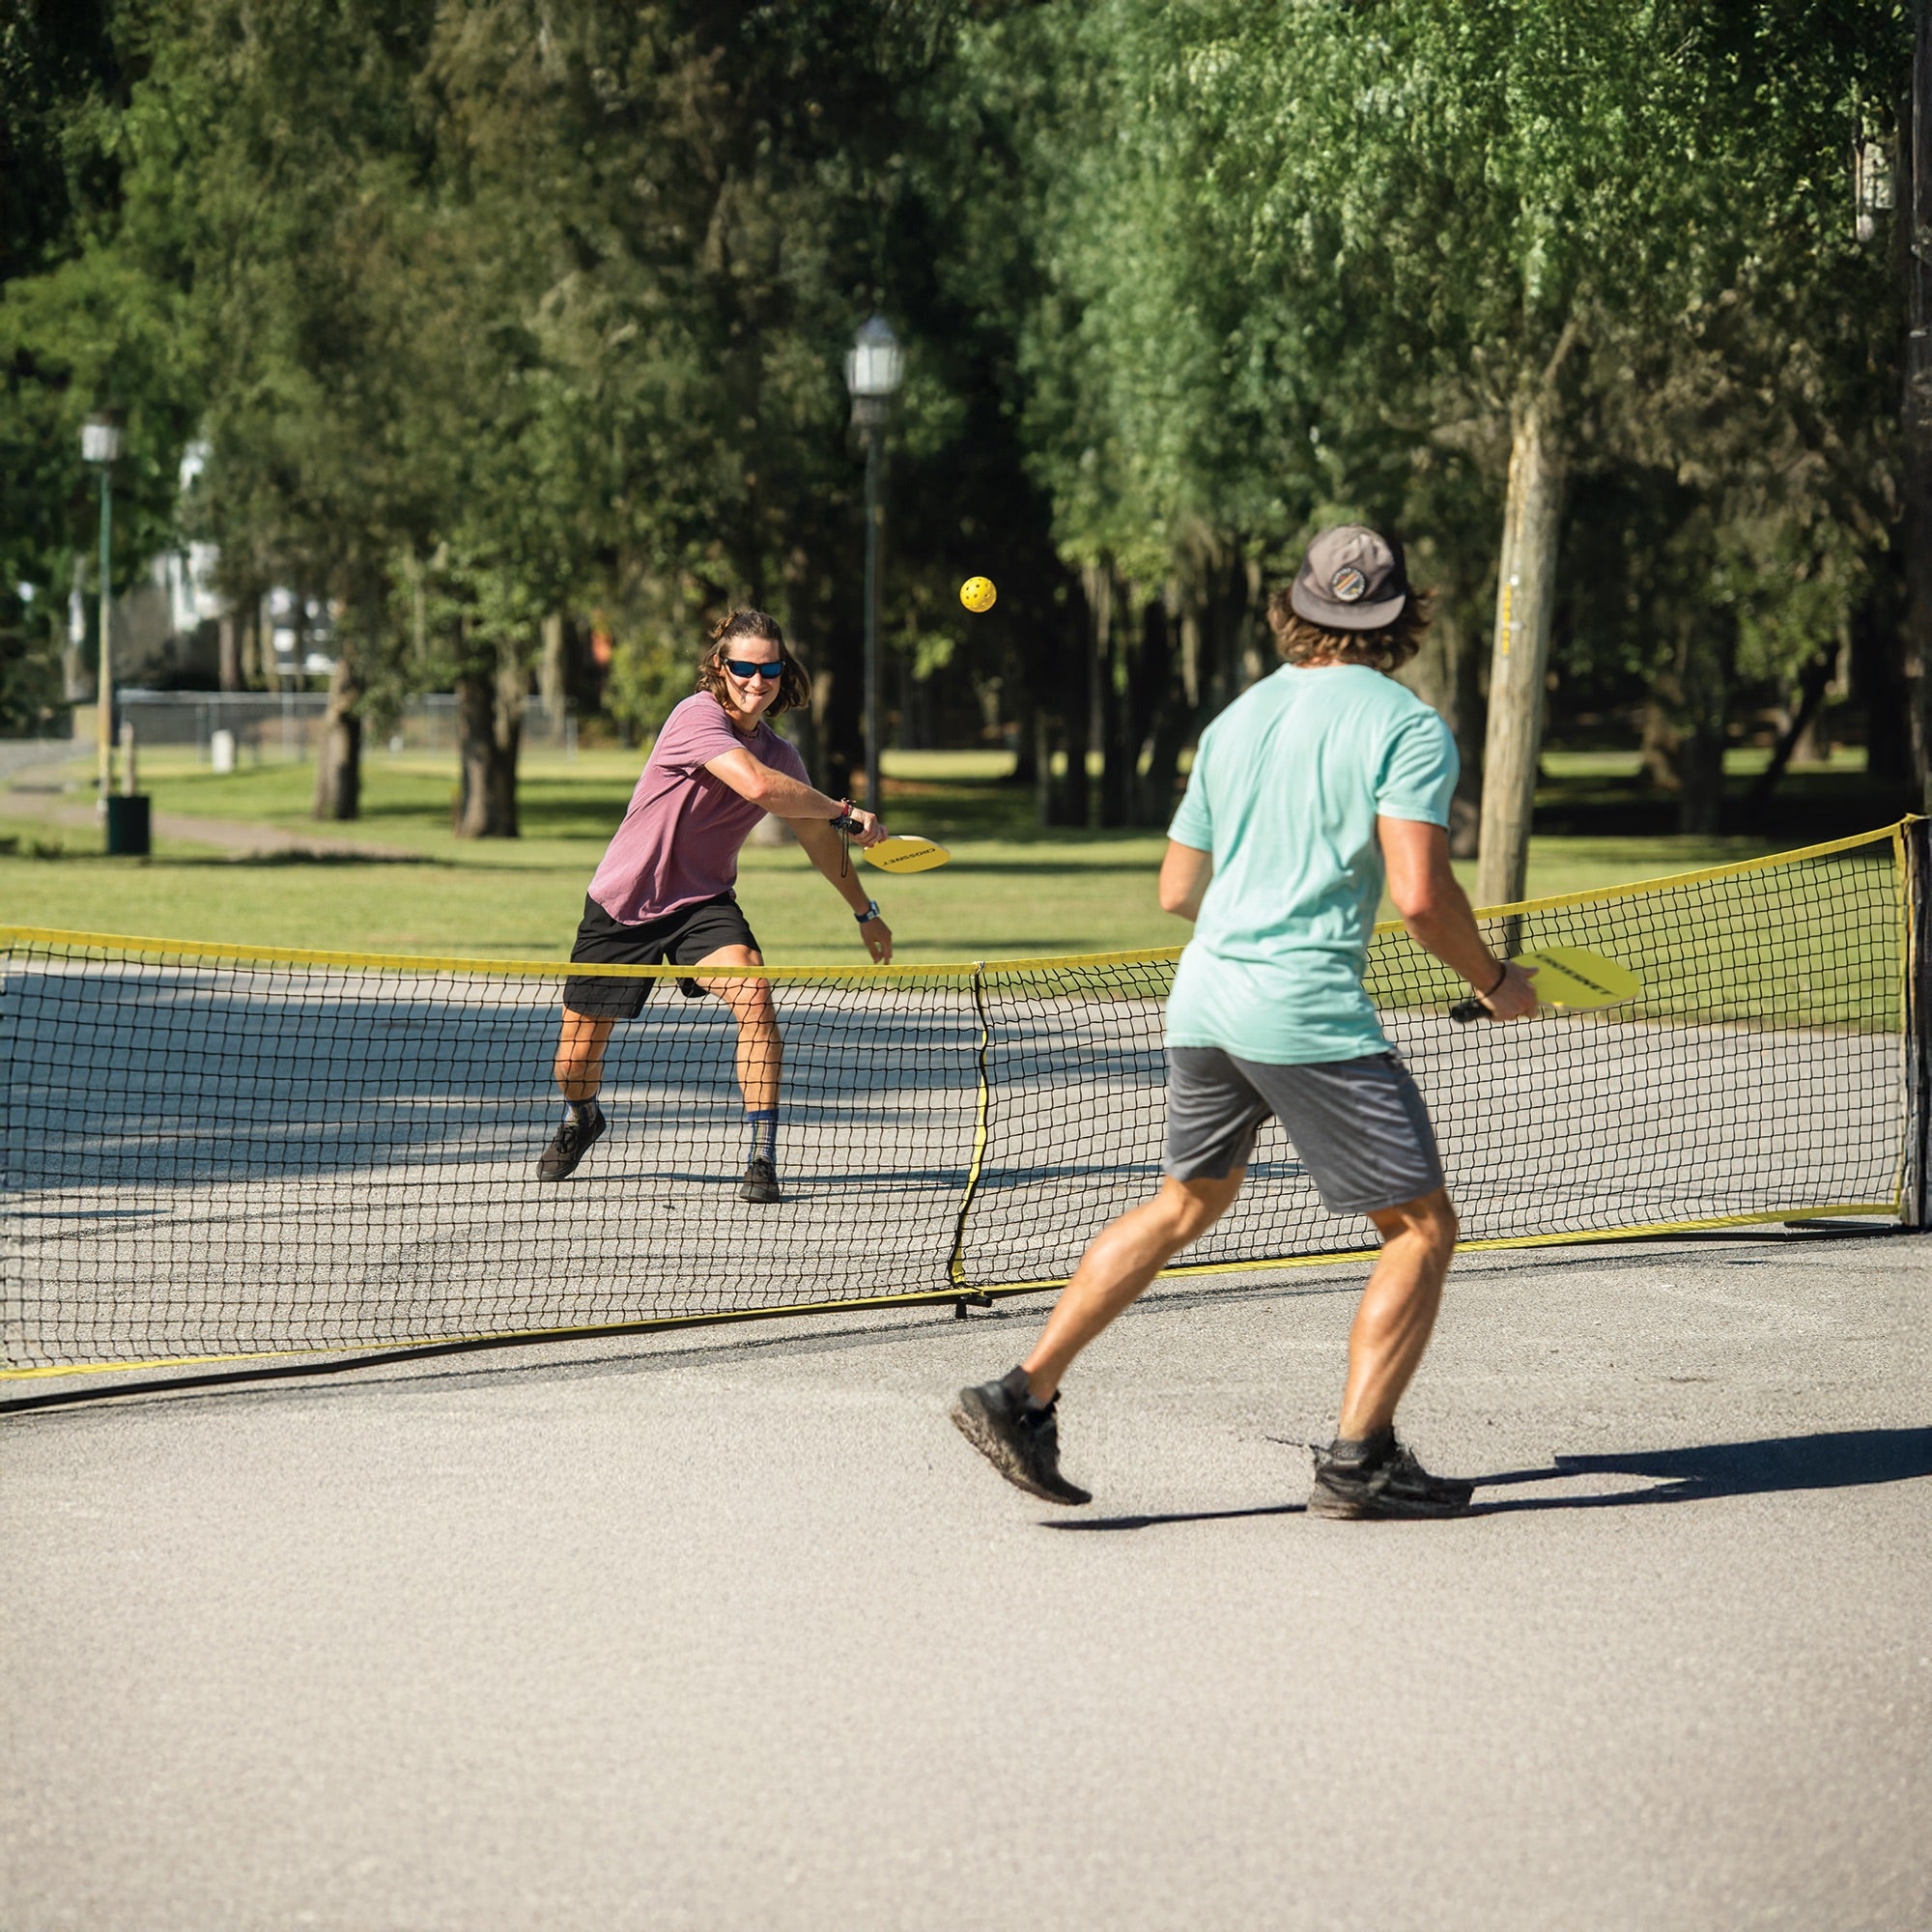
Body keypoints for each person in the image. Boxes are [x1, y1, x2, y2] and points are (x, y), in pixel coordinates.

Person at [950, 526, 1538, 1519]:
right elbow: (1419, 896)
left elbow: (1177, 889)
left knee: (1183, 1203)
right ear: (1401, 618)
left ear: (1295, 608)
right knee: (1420, 1227)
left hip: (1205, 999)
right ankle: (1359, 1461)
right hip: (1301, 1011)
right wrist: (1492, 980)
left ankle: (1020, 1393)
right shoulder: (1407, 725)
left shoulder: (1236, 718)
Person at [536, 610, 891, 1203]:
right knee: (573, 1064)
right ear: (721, 667)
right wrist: (845, 810)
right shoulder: (695, 716)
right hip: (625, 902)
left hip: (703, 902)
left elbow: (820, 843)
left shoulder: (783, 757)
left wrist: (866, 912)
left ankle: (762, 1156)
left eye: (770, 669)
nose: (758, 680)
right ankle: (583, 1117)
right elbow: (756, 785)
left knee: (753, 989)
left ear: (783, 672)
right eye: (745, 667)